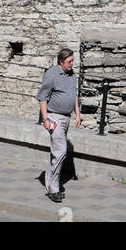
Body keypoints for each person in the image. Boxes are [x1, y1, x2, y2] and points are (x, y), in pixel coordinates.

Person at [37, 47, 81, 203]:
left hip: (66, 118)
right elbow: (43, 97)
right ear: (61, 62)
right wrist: (45, 119)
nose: (72, 63)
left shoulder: (71, 75)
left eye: (73, 60)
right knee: (61, 151)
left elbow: (73, 94)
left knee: (57, 152)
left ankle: (50, 185)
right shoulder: (52, 74)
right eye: (69, 61)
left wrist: (77, 114)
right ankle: (54, 188)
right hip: (54, 117)